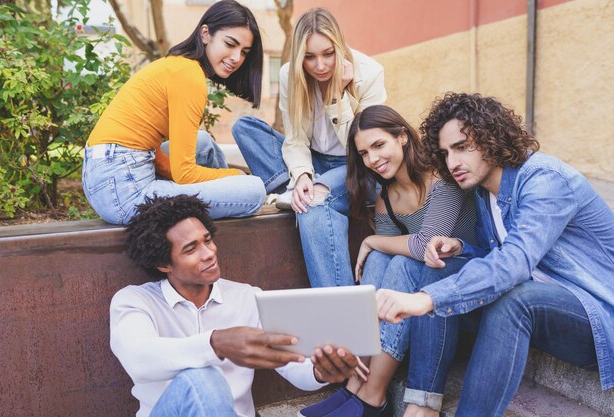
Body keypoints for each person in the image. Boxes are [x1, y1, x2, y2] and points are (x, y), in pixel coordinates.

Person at [376, 92, 614, 417]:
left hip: (599, 316)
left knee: (515, 299)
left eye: (462, 147)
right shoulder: (485, 192)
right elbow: (504, 253)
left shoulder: (546, 180)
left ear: (491, 138)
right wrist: (462, 248)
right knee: (440, 267)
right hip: (546, 311)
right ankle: (422, 405)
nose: (452, 163)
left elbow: (515, 264)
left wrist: (425, 299)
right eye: (445, 153)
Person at [111, 194, 362, 417]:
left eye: (207, 240)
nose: (209, 253)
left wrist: (321, 371)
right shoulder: (134, 301)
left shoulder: (246, 297)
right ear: (164, 264)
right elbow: (138, 359)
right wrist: (216, 343)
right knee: (203, 378)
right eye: (191, 249)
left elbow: (294, 364)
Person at [298, 105, 477, 416]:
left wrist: (370, 239)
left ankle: (373, 394)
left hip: (459, 298)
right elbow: (394, 253)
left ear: (402, 138)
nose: (373, 160)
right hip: (417, 309)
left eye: (379, 145)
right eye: (364, 153)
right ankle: (356, 383)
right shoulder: (386, 199)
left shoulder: (443, 180)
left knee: (401, 261)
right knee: (381, 258)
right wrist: (377, 247)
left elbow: (425, 248)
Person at [232, 8, 387, 288]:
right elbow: (295, 140)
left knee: (314, 204)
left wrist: (337, 95)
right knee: (245, 128)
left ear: (339, 46)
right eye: (309, 57)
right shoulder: (289, 75)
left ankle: (338, 306)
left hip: (355, 167)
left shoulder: (369, 73)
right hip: (314, 161)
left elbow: (366, 147)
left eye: (328, 53)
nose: (320, 66)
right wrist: (302, 173)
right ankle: (297, 187)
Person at [83, 0, 266, 225]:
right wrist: (236, 177)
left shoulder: (179, 65)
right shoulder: (190, 77)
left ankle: (223, 201)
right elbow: (184, 174)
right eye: (230, 44)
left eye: (244, 52)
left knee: (204, 144)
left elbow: (153, 149)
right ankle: (231, 199)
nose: (236, 58)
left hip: (102, 176)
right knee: (254, 190)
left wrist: (224, 180)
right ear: (205, 33)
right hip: (123, 193)